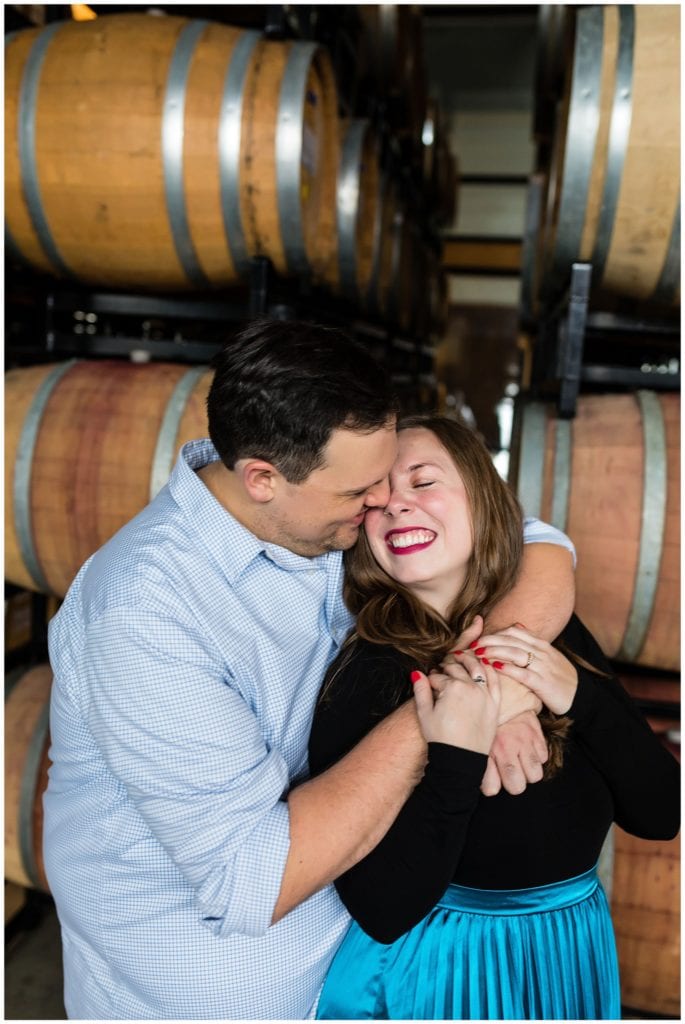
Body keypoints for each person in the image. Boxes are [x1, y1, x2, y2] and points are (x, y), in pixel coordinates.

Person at [43, 319, 577, 1020]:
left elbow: (531, 543)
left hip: (359, 975)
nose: (385, 504)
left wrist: (496, 680)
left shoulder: (321, 510)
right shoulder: (144, 610)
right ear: (262, 478)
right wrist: (452, 711)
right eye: (360, 493)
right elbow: (251, 880)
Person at [309, 414, 680, 1021]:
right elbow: (382, 908)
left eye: (423, 482)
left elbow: (662, 813)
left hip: (570, 953)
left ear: (482, 497)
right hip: (440, 973)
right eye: (377, 498)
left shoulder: (552, 632)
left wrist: (578, 695)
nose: (397, 506)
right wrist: (457, 755)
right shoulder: (367, 676)